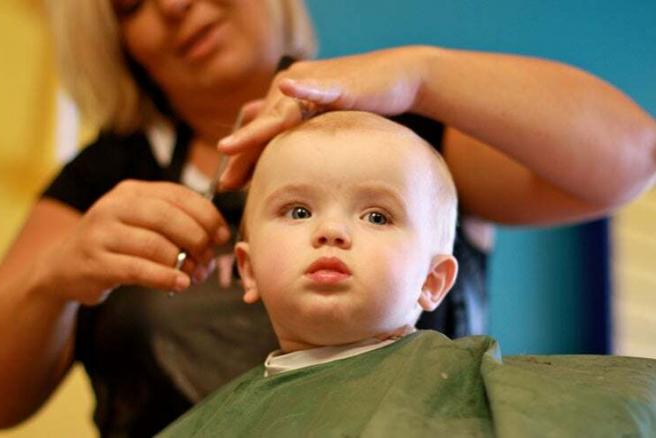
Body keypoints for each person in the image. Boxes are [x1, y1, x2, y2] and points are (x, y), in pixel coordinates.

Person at [0, 0, 655, 436]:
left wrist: (418, 75)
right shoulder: (105, 177)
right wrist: (53, 279)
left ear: (436, 279)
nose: (175, 5)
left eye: (377, 215)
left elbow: (632, 157)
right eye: (132, 3)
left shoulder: (410, 132)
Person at [159, 111, 656, 437]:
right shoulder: (209, 424)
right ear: (247, 270)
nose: (331, 231)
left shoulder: (471, 385)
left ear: (433, 281)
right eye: (297, 211)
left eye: (376, 216)